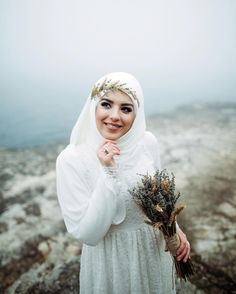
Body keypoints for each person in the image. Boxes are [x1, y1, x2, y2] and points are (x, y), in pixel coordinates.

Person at [56, 72, 190, 294]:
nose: (115, 116)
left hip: (154, 252)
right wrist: (108, 172)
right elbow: (88, 234)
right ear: (93, 106)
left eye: (126, 108)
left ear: (137, 114)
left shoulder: (147, 142)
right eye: (106, 104)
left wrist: (175, 228)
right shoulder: (72, 159)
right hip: (112, 261)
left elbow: (159, 198)